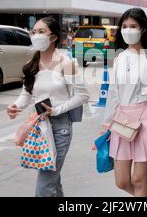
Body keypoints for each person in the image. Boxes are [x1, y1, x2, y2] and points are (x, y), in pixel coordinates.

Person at [94, 8, 147, 197]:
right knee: (121, 182)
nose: (128, 30)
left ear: (143, 29)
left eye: (133, 26)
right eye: (124, 26)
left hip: (146, 120)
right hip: (123, 122)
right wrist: (105, 127)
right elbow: (114, 94)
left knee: (138, 179)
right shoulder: (120, 56)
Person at [7, 17, 89, 197]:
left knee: (44, 186)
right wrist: (16, 106)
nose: (36, 35)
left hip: (60, 129)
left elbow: (83, 95)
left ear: (53, 37)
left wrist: (57, 110)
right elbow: (27, 94)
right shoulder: (31, 65)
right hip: (40, 128)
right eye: (34, 32)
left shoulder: (66, 63)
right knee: (52, 181)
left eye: (41, 32)